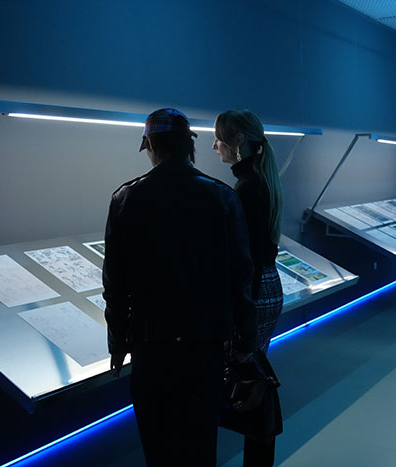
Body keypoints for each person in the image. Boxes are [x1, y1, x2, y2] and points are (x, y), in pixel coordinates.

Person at [103, 108, 257, 467]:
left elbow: (115, 283)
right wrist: (246, 340)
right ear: (189, 146)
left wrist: (118, 341)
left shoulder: (126, 198)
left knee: (157, 447)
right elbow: (240, 276)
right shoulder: (222, 197)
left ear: (151, 145)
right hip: (205, 347)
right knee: (201, 445)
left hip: (151, 348)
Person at [213, 109, 283, 466]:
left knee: (251, 380)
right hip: (266, 286)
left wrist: (243, 321)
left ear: (238, 140)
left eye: (219, 138)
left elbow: (245, 261)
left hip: (255, 291)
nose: (215, 146)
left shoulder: (246, 187)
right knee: (253, 374)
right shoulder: (259, 179)